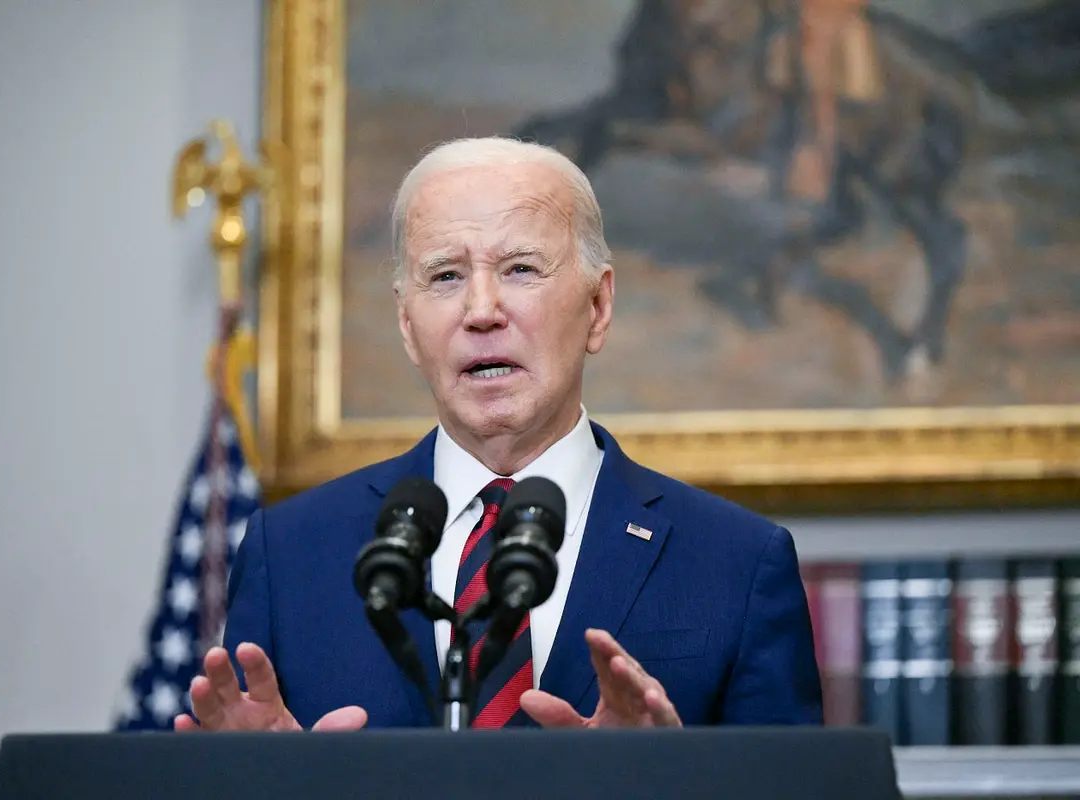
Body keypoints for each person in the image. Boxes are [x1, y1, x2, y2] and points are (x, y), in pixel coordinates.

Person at [174, 136, 822, 732]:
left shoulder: (736, 564)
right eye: (446, 276)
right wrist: (267, 789)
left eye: (519, 269)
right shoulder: (289, 555)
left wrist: (664, 786)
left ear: (597, 308)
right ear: (407, 326)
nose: (481, 311)